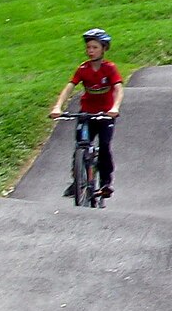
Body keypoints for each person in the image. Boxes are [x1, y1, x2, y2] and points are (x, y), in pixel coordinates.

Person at [52, 28, 124, 200]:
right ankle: (77, 180)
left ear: (104, 48)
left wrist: (115, 107)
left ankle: (106, 183)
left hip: (105, 115)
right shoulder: (83, 69)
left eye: (94, 47)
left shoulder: (110, 68)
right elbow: (69, 87)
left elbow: (118, 89)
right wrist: (57, 106)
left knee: (105, 145)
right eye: (88, 47)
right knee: (80, 145)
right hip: (87, 113)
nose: (90, 51)